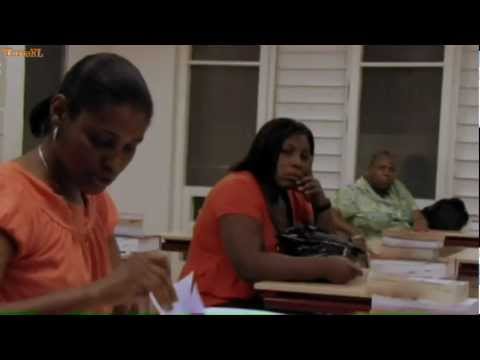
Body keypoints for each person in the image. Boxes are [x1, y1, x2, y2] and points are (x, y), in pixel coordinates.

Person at [0, 53, 176, 314]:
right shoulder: (10, 198)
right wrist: (98, 293)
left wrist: (136, 295)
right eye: (102, 142)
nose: (114, 163)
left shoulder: (96, 203)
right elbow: (103, 292)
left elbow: (117, 301)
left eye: (129, 148)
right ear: (60, 112)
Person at [180, 118, 362, 308]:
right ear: (266, 152)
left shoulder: (293, 195)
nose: (297, 163)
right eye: (287, 152)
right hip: (209, 303)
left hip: (261, 300)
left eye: (305, 156)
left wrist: (320, 204)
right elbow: (250, 265)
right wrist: (325, 268)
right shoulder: (237, 187)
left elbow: (324, 246)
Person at [332, 150, 429, 248]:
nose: (387, 173)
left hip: (406, 245)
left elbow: (417, 215)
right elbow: (333, 217)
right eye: (382, 168)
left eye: (391, 169)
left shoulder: (397, 187)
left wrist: (420, 223)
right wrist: (353, 231)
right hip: (373, 249)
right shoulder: (352, 192)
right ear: (370, 169)